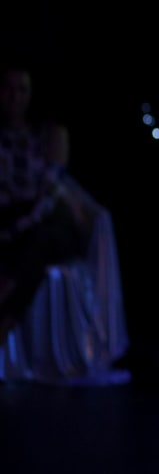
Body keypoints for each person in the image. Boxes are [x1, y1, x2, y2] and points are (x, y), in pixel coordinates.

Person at [0, 62, 90, 339]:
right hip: (16, 220)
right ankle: (5, 323)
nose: (15, 97)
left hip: (48, 222)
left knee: (37, 241)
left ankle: (4, 303)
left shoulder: (48, 134)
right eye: (8, 89)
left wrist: (15, 229)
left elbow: (49, 195)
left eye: (22, 90)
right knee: (31, 259)